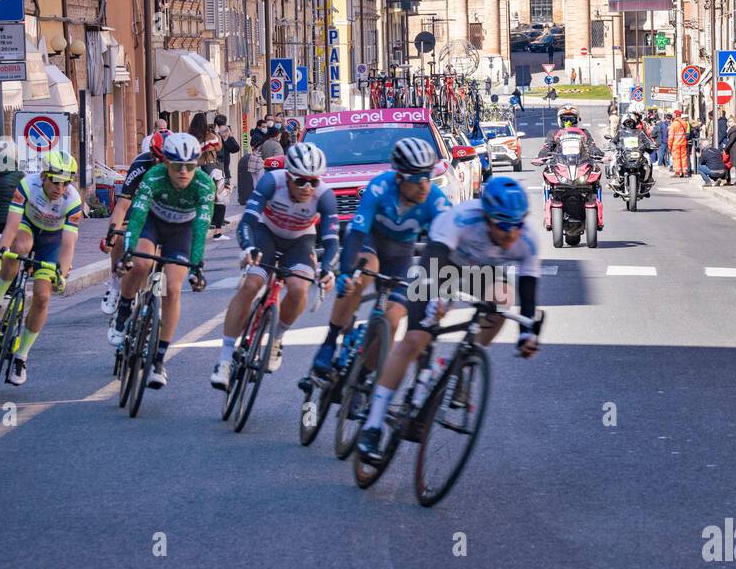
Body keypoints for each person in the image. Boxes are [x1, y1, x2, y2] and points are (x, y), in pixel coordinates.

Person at [356, 177, 540, 460]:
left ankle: (466, 359)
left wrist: (527, 333)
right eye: (503, 224)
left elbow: (529, 293)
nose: (511, 232)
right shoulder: (461, 219)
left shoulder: (526, 239)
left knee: (505, 298)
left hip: (481, 275)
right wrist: (437, 300)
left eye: (517, 223)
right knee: (417, 339)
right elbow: (433, 264)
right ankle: (373, 425)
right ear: (487, 217)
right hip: (440, 266)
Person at [307, 137, 451, 378]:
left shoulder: (435, 200)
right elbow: (357, 232)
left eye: (428, 176)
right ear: (399, 178)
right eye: (417, 179)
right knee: (360, 275)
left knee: (393, 320)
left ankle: (361, 377)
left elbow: (445, 247)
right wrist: (346, 273)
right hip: (369, 241)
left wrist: (441, 290)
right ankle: (330, 342)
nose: (424, 186)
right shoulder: (380, 187)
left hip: (401, 254)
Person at [212, 142, 338, 384]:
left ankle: (277, 338)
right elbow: (247, 222)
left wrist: (328, 269)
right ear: (288, 176)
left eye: (313, 181)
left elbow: (332, 240)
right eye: (301, 181)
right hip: (266, 234)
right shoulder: (272, 182)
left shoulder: (325, 195)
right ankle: (226, 358)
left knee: (300, 289)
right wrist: (248, 247)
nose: (307, 187)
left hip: (299, 241)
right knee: (251, 285)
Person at [108, 133, 213, 389]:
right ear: (166, 163)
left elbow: (201, 229)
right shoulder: (153, 177)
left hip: (182, 231)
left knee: (174, 289)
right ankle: (123, 309)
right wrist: (129, 252)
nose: (184, 171)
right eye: (178, 165)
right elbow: (136, 216)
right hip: (151, 224)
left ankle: (158, 360)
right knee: (142, 263)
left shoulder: (204, 185)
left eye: (191, 165)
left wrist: (197, 266)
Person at [0, 150, 82, 386]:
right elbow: (11, 227)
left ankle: (22, 356)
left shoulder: (73, 201)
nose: (60, 188)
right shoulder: (27, 185)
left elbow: (68, 244)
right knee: (20, 246)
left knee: (42, 296)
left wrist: (62, 273)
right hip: (27, 226)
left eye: (66, 182)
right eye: (56, 181)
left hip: (52, 240)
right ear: (44, 176)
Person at [100, 130, 166, 315]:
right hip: (138, 205)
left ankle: (157, 300)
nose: (163, 164)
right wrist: (111, 236)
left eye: (167, 160)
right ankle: (114, 284)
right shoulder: (141, 164)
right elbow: (121, 207)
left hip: (163, 209)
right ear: (152, 154)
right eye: (159, 159)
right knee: (121, 237)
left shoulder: (179, 168)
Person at [668, 110, 690, 179]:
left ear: (676, 115)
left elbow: (671, 136)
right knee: (683, 158)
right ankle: (685, 172)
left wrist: (669, 145)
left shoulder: (674, 124)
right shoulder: (684, 123)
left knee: (676, 158)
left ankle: (677, 172)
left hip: (676, 144)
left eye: (673, 114)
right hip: (683, 143)